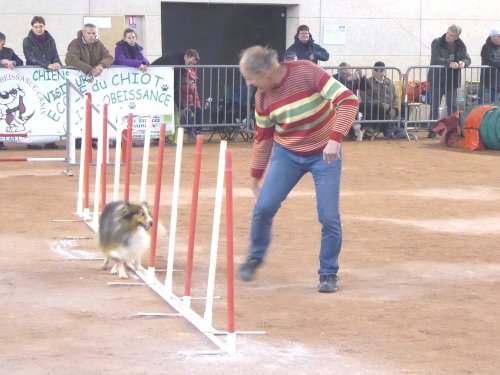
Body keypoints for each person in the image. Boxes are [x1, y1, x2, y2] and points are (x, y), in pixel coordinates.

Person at [237, 46, 359, 293]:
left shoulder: (307, 72)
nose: (249, 84)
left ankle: (328, 273)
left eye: (251, 78)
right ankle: (254, 257)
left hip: (325, 154)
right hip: (287, 155)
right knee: (263, 208)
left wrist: (336, 138)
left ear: (266, 71)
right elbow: (263, 138)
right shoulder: (262, 98)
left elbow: (348, 100)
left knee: (329, 217)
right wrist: (255, 177)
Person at [23, 16, 62, 150]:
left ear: (44, 26)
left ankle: (50, 140)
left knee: (50, 107)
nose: (39, 29)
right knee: (33, 108)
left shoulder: (51, 40)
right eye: (36, 26)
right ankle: (32, 141)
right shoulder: (27, 41)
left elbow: (56, 55)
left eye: (41, 26)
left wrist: (57, 62)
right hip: (33, 78)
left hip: (49, 80)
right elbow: (30, 58)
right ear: (32, 27)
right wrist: (48, 65)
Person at [427, 24, 471, 138]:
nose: (448, 37)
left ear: (457, 37)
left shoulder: (461, 45)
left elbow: (467, 58)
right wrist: (448, 63)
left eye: (452, 35)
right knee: (435, 105)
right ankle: (432, 129)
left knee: (452, 105)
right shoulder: (436, 42)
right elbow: (435, 58)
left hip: (452, 80)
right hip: (437, 78)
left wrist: (463, 63)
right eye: (448, 34)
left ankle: (453, 130)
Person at [359, 61, 399, 139]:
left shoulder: (389, 82)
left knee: (405, 106)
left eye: (381, 71)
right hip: (376, 106)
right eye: (376, 71)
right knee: (379, 106)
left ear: (384, 72)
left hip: (390, 106)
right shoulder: (369, 82)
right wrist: (381, 104)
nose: (379, 73)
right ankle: (386, 129)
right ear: (373, 71)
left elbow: (396, 97)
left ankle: (399, 129)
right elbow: (366, 98)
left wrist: (394, 107)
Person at [0, 32, 23, 150]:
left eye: (2, 44)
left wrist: (13, 62)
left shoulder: (9, 51)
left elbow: (20, 62)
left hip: (5, 88)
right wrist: (1, 62)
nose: (0, 47)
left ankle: (2, 140)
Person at [179, 49, 202, 139]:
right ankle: (189, 131)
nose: (191, 65)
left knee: (199, 111)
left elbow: (194, 87)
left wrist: (197, 102)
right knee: (187, 112)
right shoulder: (181, 69)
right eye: (190, 62)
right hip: (184, 99)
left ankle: (198, 131)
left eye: (193, 63)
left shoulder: (191, 70)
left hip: (193, 98)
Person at [480, 28, 500, 103]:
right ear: (492, 37)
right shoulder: (486, 47)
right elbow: (487, 60)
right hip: (489, 83)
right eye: (499, 36)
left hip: (498, 83)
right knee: (489, 106)